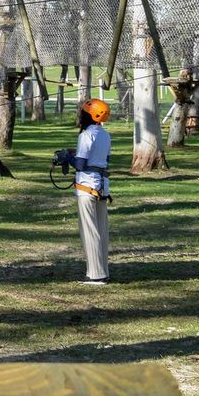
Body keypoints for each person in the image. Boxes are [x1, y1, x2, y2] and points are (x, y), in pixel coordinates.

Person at [73, 98, 112, 285]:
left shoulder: (86, 135)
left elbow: (80, 164)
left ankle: (95, 275)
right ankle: (103, 269)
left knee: (90, 231)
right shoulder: (105, 135)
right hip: (102, 186)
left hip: (87, 187)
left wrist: (67, 158)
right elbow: (103, 159)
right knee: (102, 230)